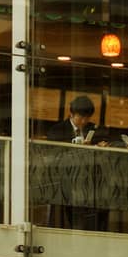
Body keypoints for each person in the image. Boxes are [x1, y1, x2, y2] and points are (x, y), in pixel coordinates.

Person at [41, 94, 105, 230]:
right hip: (65, 181)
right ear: (71, 113)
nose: (83, 121)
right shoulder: (57, 130)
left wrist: (100, 146)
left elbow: (105, 141)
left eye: (87, 118)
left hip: (88, 182)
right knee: (67, 219)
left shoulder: (94, 129)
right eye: (80, 117)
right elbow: (53, 156)